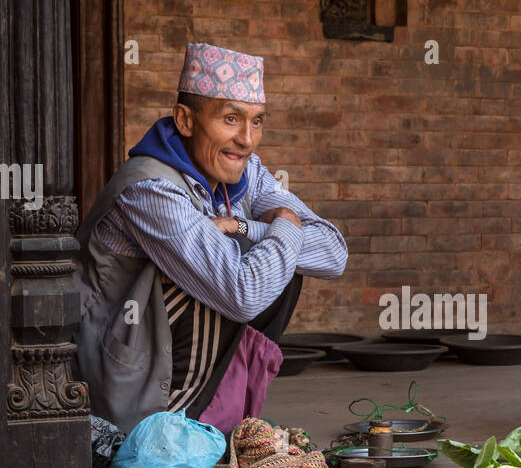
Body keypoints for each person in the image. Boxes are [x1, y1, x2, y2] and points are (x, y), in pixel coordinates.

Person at [73, 42, 347, 436]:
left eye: (257, 121)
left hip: (168, 355)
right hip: (113, 374)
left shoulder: (243, 170)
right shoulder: (150, 188)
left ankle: (219, 413)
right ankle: (178, 425)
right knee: (244, 268)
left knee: (277, 261)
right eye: (231, 119)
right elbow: (242, 294)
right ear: (185, 120)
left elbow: (334, 254)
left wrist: (249, 227)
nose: (247, 139)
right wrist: (285, 225)